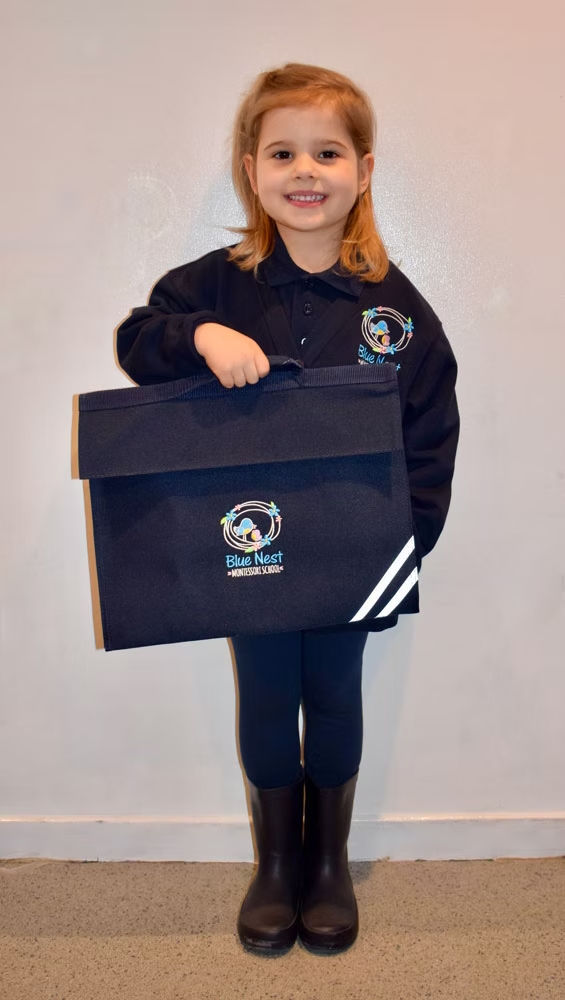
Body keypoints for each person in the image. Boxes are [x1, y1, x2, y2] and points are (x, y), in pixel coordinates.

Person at [115, 62, 459, 955]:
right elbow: (134, 340)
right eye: (283, 153)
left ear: (365, 168)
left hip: (352, 557)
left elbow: (429, 429)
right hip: (245, 553)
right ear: (250, 167)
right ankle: (276, 865)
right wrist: (197, 334)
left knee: (333, 694)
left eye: (327, 152)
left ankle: (328, 863)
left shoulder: (395, 306)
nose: (305, 171)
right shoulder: (215, 285)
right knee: (267, 694)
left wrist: (403, 546)